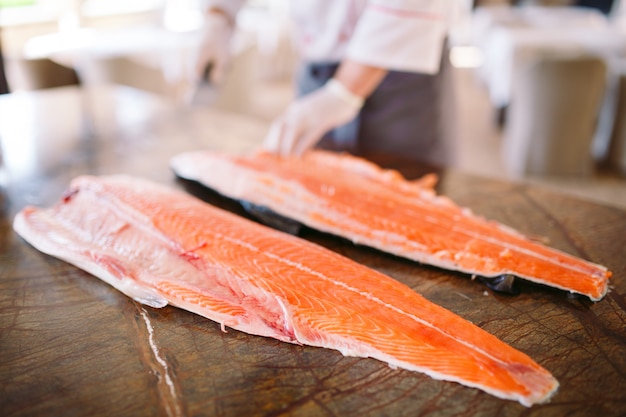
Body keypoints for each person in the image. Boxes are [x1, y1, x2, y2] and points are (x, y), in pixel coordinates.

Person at [194, 1, 456, 166]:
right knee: (308, 180)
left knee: (405, 192)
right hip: (316, 56)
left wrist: (344, 93)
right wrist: (219, 17)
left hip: (401, 60)